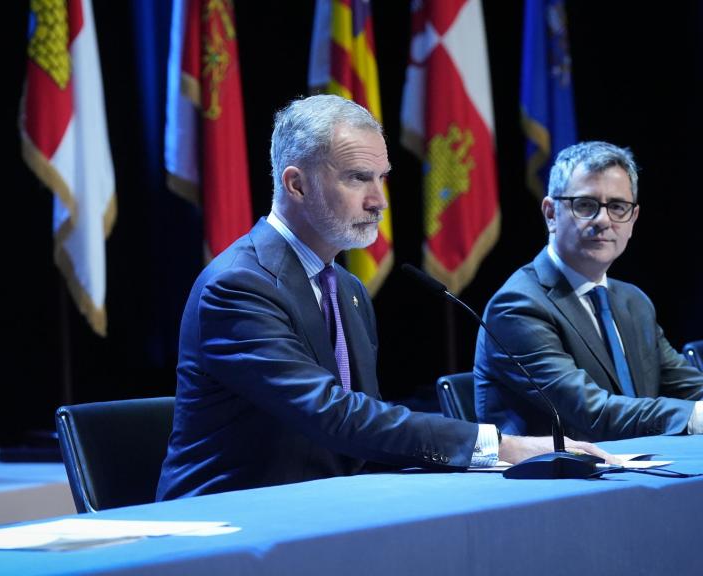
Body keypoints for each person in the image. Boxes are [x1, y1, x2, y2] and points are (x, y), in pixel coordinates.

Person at [156, 95, 607, 500]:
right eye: (357, 179)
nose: (379, 201)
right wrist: (499, 446)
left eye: (381, 178)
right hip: (229, 522)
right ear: (296, 184)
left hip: (326, 510)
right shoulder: (238, 286)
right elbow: (333, 415)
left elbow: (364, 429)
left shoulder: (347, 290)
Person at [475, 141, 703, 441]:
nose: (604, 220)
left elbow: (685, 385)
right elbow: (589, 413)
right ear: (551, 214)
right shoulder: (518, 305)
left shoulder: (634, 301)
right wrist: (693, 416)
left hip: (640, 471)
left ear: (632, 219)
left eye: (618, 207)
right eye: (585, 205)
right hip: (560, 481)